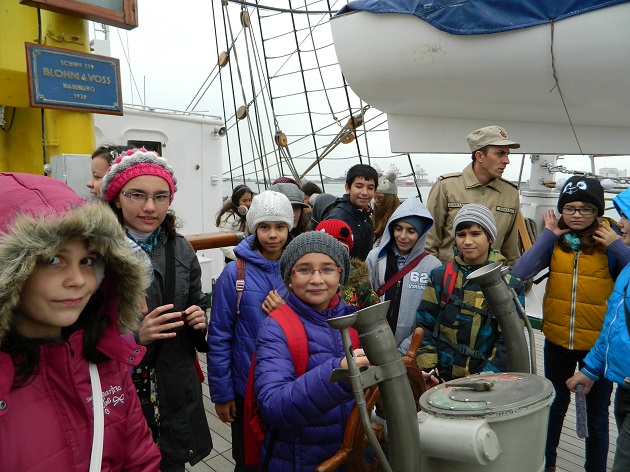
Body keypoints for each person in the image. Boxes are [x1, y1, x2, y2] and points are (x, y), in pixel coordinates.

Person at [0, 172, 161, 471]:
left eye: (87, 261)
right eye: (52, 259)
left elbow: (141, 458)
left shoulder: (104, 359)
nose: (77, 280)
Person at [101, 148, 212, 471]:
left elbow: (196, 300)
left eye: (160, 197)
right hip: (124, 389)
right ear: (116, 198)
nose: (150, 207)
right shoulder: (97, 252)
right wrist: (137, 337)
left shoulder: (181, 248)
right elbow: (81, 334)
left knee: (171, 461)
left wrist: (199, 321)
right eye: (137, 195)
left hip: (174, 381)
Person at [512, 176, 630, 472]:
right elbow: (520, 272)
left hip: (597, 348)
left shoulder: (613, 240)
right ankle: (547, 466)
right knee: (554, 408)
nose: (577, 215)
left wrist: (616, 246)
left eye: (586, 208)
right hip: (557, 340)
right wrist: (547, 236)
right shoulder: (557, 241)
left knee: (596, 417)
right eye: (570, 208)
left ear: (598, 211)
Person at [254, 231, 369, 470]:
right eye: (305, 270)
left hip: (352, 457)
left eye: (327, 269)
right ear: (289, 276)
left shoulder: (354, 321)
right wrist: (337, 374)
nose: (316, 279)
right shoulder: (276, 328)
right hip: (298, 460)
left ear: (340, 275)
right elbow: (274, 405)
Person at [207, 190, 294, 472]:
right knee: (247, 461)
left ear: (289, 228)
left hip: (288, 385)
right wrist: (222, 394)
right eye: (264, 226)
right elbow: (219, 336)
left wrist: (286, 311)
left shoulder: (301, 270)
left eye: (280, 226)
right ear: (254, 227)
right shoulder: (235, 273)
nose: (273, 234)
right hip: (246, 388)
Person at [416, 204, 525, 381]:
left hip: (487, 383)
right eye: (461, 235)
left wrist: (484, 380)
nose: (467, 241)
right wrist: (429, 370)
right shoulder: (440, 277)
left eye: (475, 234)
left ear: (490, 238)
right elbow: (424, 324)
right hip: (440, 379)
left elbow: (509, 342)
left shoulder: (510, 284)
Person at [566, 186, 630, 472]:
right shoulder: (628, 272)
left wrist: (616, 247)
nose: (620, 224)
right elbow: (614, 326)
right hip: (624, 385)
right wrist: (591, 370)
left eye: (626, 217)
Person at [425, 125, 521, 266]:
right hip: (449, 275)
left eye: (507, 154)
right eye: (500, 154)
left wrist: (511, 276)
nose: (507, 161)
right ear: (479, 156)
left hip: (491, 276)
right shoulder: (446, 187)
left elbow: (510, 248)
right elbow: (429, 241)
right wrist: (432, 274)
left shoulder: (510, 193)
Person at [367, 197, 441, 354]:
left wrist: (407, 348)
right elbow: (364, 302)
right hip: (374, 344)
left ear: (421, 233)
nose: (402, 236)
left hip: (411, 350)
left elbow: (431, 315)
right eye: (398, 228)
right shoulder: (375, 257)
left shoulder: (433, 266)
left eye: (411, 231)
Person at [316, 219, 379, 310]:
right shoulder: (311, 280)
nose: (334, 258)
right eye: (327, 252)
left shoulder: (359, 283)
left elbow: (375, 313)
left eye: (341, 252)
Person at [324, 163, 379, 260]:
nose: (365, 192)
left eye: (370, 188)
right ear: (348, 188)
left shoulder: (366, 217)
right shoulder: (337, 218)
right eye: (359, 186)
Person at [216, 184, 253, 263]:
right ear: (236, 200)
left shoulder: (250, 214)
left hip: (249, 257)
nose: (248, 203)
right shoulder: (228, 216)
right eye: (244, 201)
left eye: (250, 200)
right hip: (234, 260)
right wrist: (240, 256)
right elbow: (224, 243)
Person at [372, 171, 401, 247]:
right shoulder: (373, 215)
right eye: (375, 198)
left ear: (389, 199)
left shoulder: (398, 219)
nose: (376, 201)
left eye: (380, 198)